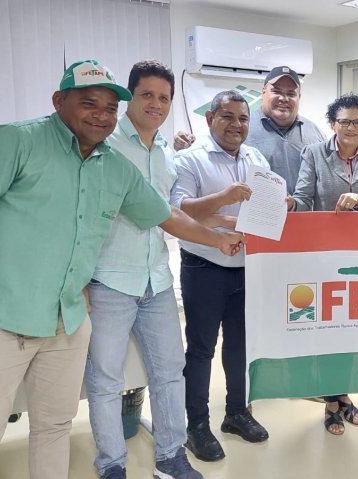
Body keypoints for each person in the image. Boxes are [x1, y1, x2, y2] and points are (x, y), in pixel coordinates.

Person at [0, 59, 243, 479]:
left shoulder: (114, 166)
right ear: (59, 100)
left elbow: (166, 214)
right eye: (89, 103)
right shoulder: (15, 142)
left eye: (110, 107)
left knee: (55, 430)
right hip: (0, 319)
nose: (101, 114)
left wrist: (217, 240)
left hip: (67, 321)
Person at [83, 60, 213, 479]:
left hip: (156, 280)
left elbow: (171, 213)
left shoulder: (166, 154)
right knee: (106, 380)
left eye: (164, 97)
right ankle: (111, 464)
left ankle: (171, 456)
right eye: (147, 95)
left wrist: (220, 228)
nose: (156, 104)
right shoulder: (105, 145)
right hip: (109, 280)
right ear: (130, 97)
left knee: (170, 373)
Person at [171, 90, 271, 462]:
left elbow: (264, 209)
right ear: (210, 118)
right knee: (201, 350)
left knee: (240, 345)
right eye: (227, 116)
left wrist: (281, 204)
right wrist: (224, 198)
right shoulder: (189, 159)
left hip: (247, 267)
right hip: (204, 267)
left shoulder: (256, 158)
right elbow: (179, 210)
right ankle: (197, 426)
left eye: (243, 118)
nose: (236, 125)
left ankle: (237, 413)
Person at [286, 93, 358, 435]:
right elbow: (304, 199)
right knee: (326, 331)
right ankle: (332, 403)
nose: (350, 127)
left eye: (357, 122)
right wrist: (290, 204)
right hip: (323, 257)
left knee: (352, 331)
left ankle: (342, 394)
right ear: (333, 123)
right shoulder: (314, 153)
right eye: (344, 121)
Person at [245, 66, 327, 194]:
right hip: (256, 206)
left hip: (303, 207)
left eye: (291, 94)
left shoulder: (316, 134)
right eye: (276, 91)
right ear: (263, 92)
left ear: (299, 97)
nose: (283, 98)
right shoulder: (243, 129)